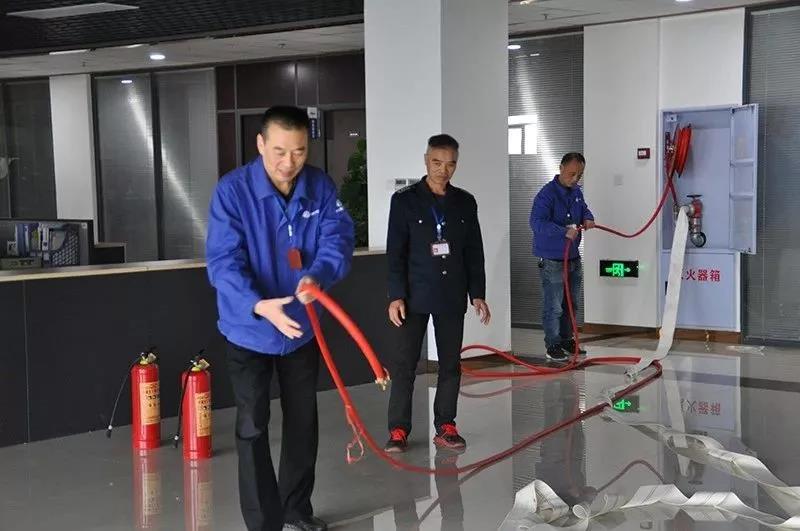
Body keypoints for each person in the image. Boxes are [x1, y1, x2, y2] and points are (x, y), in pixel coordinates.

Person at [206, 105, 355, 531]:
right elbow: (223, 260)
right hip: (249, 328)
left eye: (299, 151)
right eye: (279, 151)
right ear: (260, 144)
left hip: (301, 328)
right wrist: (257, 304)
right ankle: (263, 523)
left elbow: (338, 239)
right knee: (253, 425)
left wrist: (318, 274)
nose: (289, 163)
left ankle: (296, 509)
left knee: (303, 421)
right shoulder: (232, 192)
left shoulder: (319, 186)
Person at [384, 133, 491, 453]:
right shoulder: (404, 201)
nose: (443, 170)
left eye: (450, 164)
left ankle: (446, 425)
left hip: (451, 293)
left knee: (450, 364)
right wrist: (395, 295)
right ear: (426, 160)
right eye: (436, 162)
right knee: (405, 365)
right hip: (413, 295)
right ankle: (398, 429)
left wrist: (477, 293)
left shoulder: (465, 202)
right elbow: (395, 253)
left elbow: (474, 251)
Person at [529, 152, 595, 362]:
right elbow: (536, 223)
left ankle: (567, 339)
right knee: (554, 306)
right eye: (572, 174)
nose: (575, 179)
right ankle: (553, 344)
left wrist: (588, 218)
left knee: (571, 304)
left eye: (579, 175)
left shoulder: (576, 192)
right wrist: (563, 231)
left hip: (573, 258)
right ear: (561, 168)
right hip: (552, 261)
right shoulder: (546, 194)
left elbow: (584, 209)